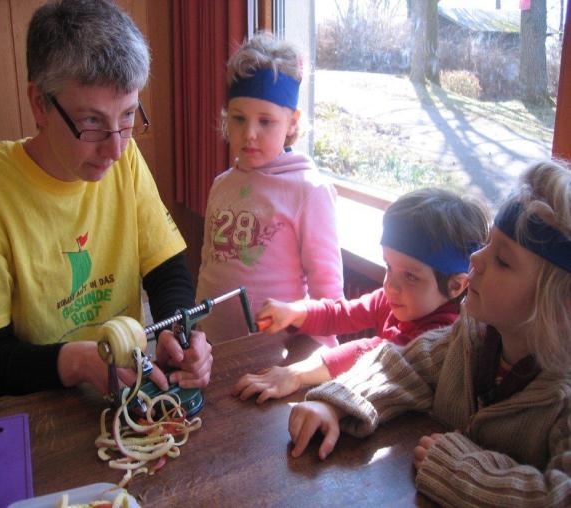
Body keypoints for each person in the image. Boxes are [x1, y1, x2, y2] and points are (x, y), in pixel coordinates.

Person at [288, 160, 571, 506]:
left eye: (503, 261)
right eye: (487, 245)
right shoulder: (471, 340)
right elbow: (402, 367)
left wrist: (462, 470)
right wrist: (336, 402)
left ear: (561, 307)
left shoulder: (563, 399)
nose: (477, 261)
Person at [0, 0, 212, 399]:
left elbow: (166, 271)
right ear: (40, 104)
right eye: (92, 122)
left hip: (126, 396)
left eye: (129, 116)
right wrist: (79, 361)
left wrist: (178, 332)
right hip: (37, 412)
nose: (115, 150)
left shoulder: (124, 158)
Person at [233, 187, 490, 403]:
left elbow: (375, 351)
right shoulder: (398, 298)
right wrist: (297, 311)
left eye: (410, 276)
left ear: (456, 286)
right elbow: (344, 313)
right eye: (389, 266)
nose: (391, 285)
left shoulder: (444, 334)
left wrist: (296, 374)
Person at [196, 32, 344, 344]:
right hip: (213, 350)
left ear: (291, 123)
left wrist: (310, 369)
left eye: (265, 122)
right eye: (238, 119)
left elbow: (329, 299)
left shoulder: (309, 190)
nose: (249, 133)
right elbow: (208, 264)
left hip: (275, 357)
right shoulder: (221, 185)